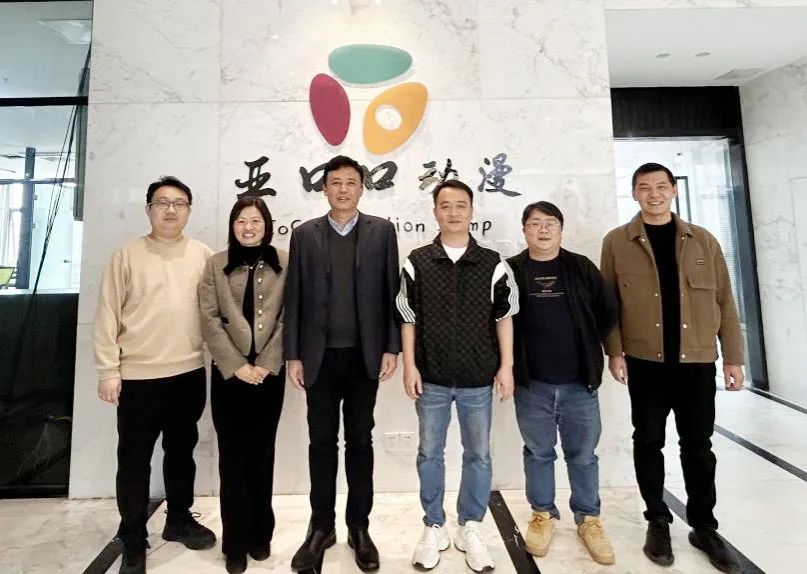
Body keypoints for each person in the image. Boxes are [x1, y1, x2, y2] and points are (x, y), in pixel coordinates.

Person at [601, 162, 745, 573]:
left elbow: (725, 302)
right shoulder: (617, 242)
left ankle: (704, 526)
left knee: (698, 445)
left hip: (696, 361)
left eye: (661, 186)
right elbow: (609, 303)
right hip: (645, 361)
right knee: (648, 440)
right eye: (645, 187)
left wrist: (733, 357)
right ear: (634, 193)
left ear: (674, 191)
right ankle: (658, 521)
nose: (654, 194)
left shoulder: (704, 241)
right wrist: (615, 351)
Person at [284, 155, 401, 572]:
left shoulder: (382, 232)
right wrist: (293, 354)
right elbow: (294, 297)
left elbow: (392, 293)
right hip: (318, 358)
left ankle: (359, 527)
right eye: (335, 182)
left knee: (360, 442)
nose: (343, 189)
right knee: (321, 443)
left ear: (362, 188)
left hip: (363, 357)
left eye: (351, 182)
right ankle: (321, 527)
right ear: (324, 188)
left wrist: (391, 347)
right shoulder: (305, 235)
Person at [94, 176, 216, 574]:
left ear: (189, 210)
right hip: (138, 377)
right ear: (148, 209)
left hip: (188, 373)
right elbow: (107, 315)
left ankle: (178, 519)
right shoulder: (126, 256)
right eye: (162, 202)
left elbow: (216, 314)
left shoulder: (202, 255)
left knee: (181, 454)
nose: (170, 210)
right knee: (134, 460)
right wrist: (108, 370)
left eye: (179, 203)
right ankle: (132, 537)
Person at [396, 179, 518, 573]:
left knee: (478, 454)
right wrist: (410, 365)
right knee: (429, 453)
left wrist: (506, 366)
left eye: (460, 205)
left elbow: (504, 317)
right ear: (435, 212)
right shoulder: (417, 261)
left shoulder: (492, 263)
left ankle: (471, 526)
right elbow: (407, 318)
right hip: (430, 376)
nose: (453, 212)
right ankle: (433, 525)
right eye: (445, 206)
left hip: (478, 378)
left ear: (471, 211)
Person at [506, 201, 618, 565]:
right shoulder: (511, 270)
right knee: (538, 453)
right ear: (524, 230)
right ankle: (542, 515)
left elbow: (607, 311)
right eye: (535, 223)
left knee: (583, 455)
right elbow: (499, 321)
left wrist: (589, 344)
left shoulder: (581, 267)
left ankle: (589, 519)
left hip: (579, 384)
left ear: (560, 229)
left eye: (550, 223)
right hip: (532, 384)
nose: (543, 230)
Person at [198, 196, 287, 573]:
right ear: (232, 226)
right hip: (228, 376)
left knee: (262, 455)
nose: (248, 228)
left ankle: (260, 535)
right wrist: (236, 366)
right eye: (241, 221)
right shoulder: (215, 264)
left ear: (267, 225)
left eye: (255, 221)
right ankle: (234, 542)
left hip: (269, 375)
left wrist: (265, 364)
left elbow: (289, 315)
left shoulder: (286, 262)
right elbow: (208, 318)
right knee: (232, 459)